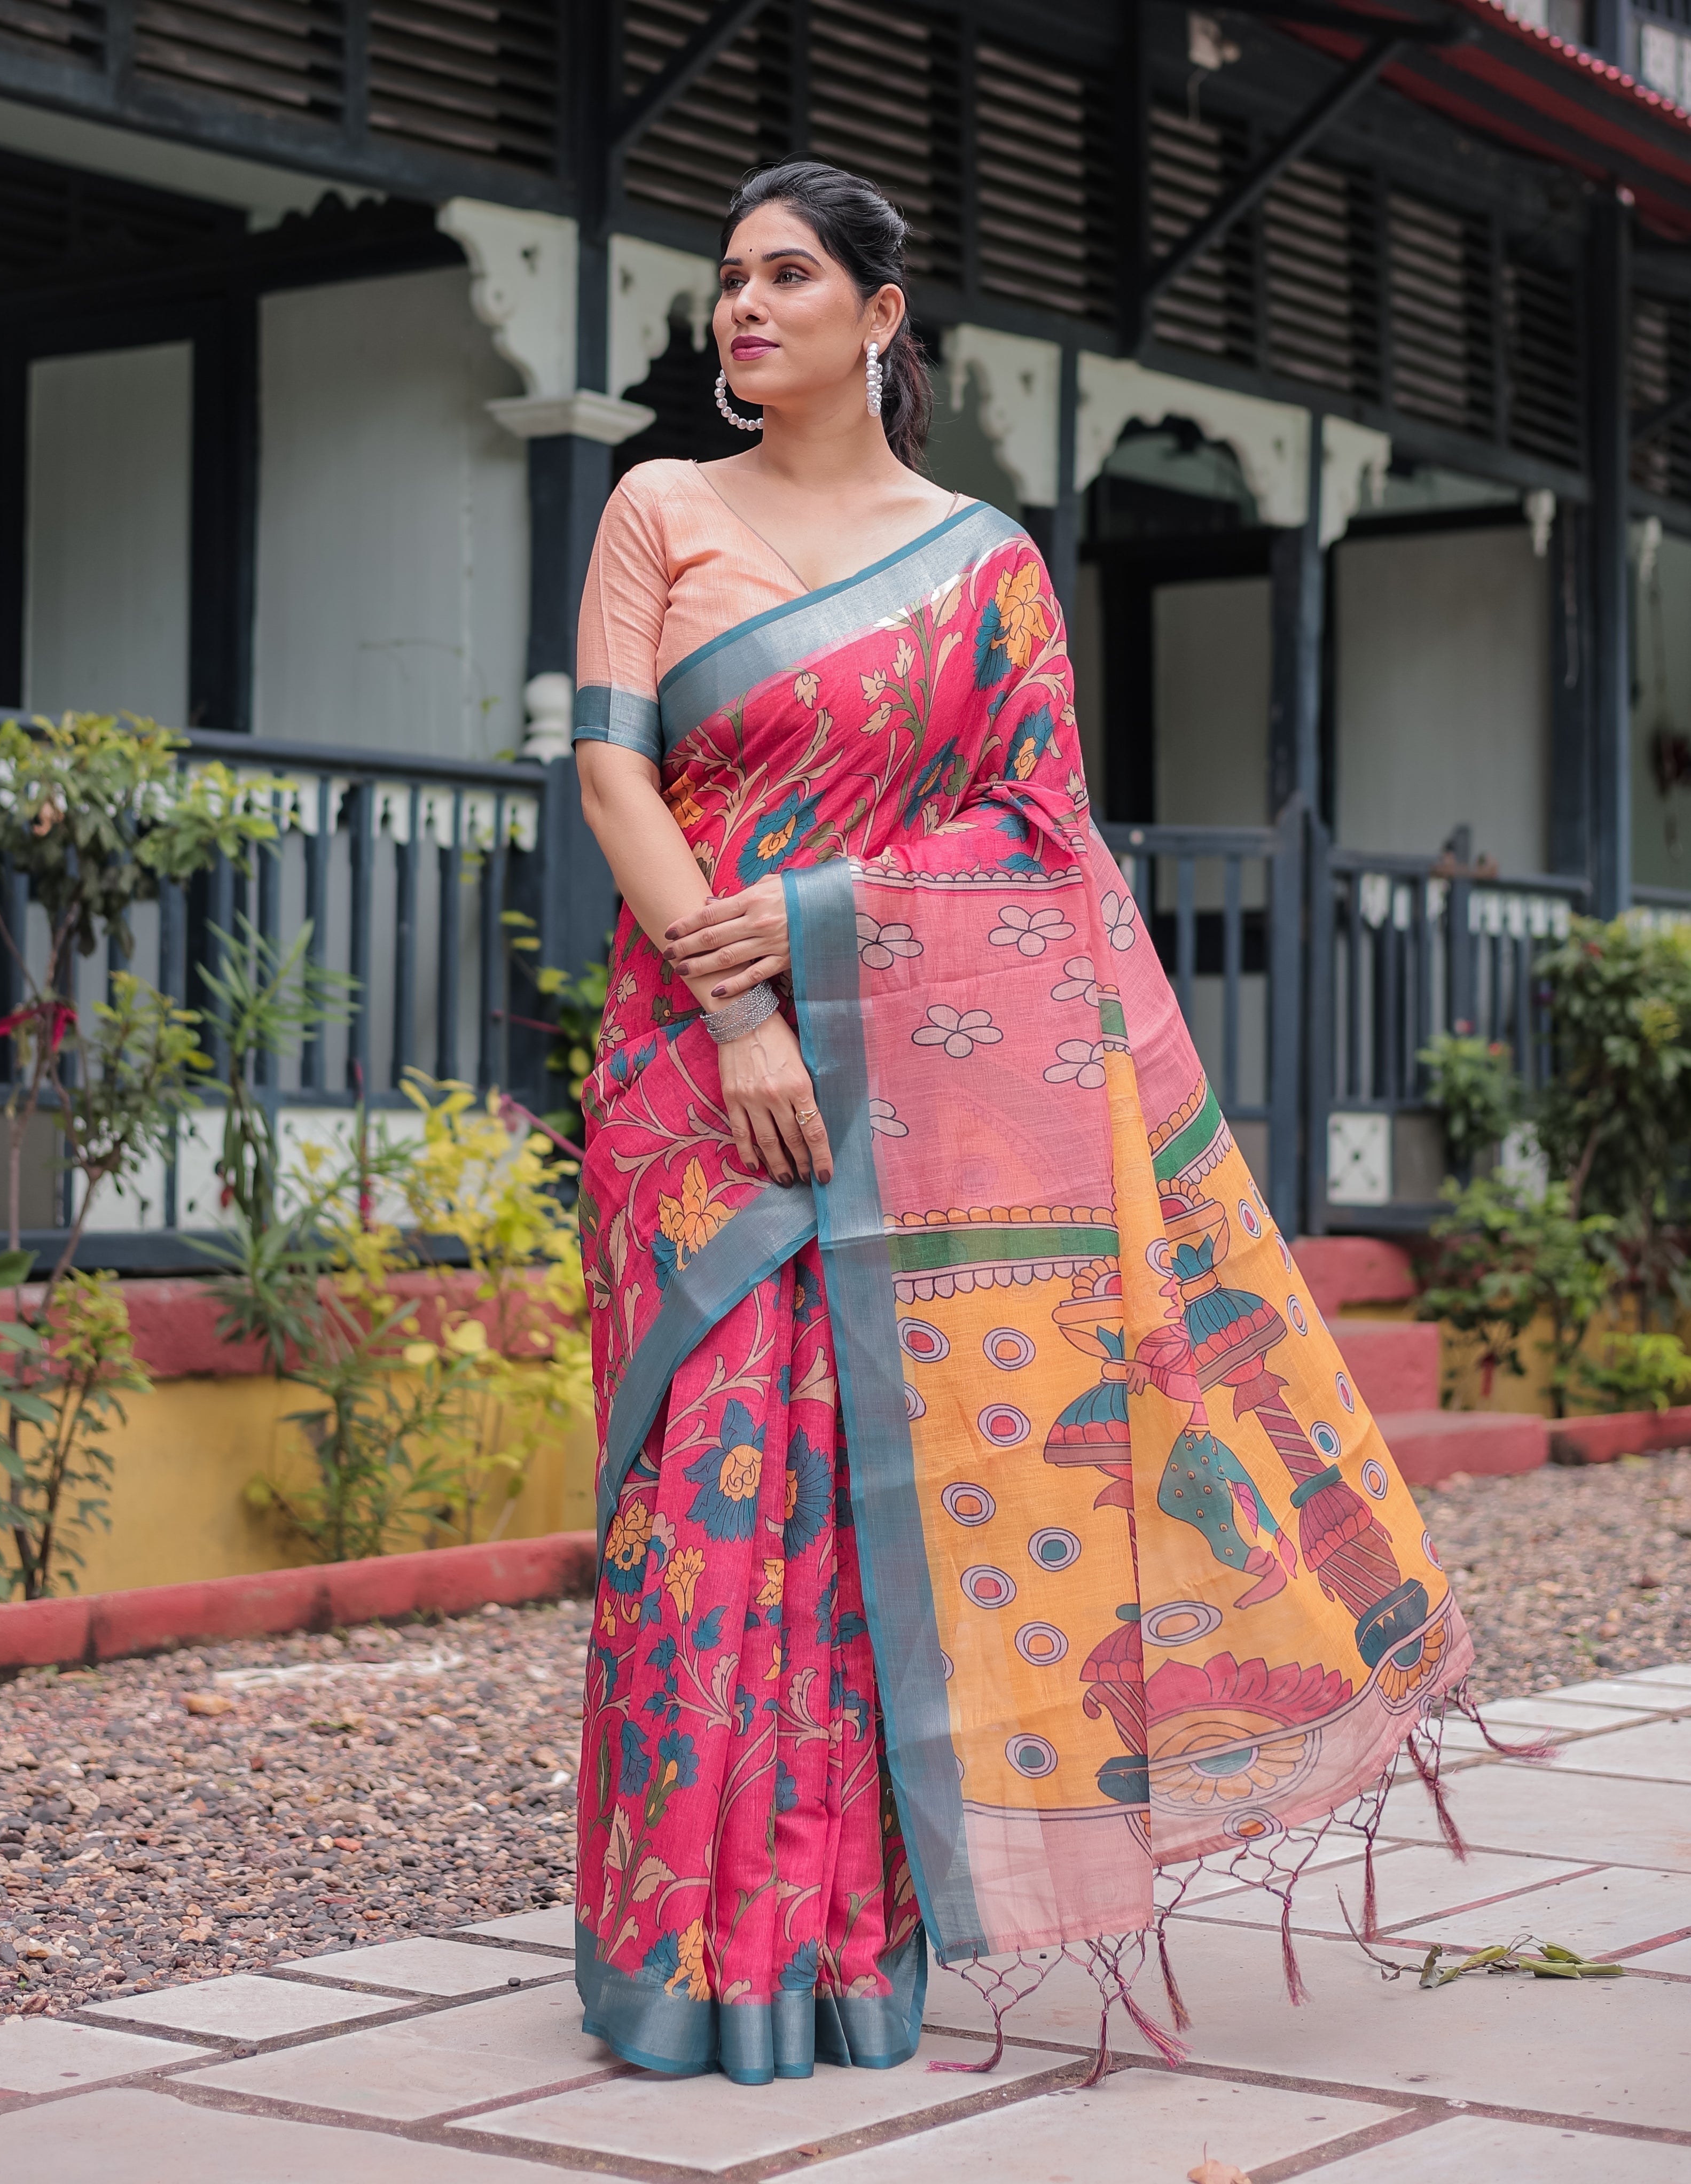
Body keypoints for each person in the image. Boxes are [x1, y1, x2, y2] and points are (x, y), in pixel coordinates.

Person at [570, 159, 1469, 2087]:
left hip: (902, 1090)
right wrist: (744, 1010)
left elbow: (1040, 836)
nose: (744, 306)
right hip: (693, 1080)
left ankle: (843, 1951)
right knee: (711, 1502)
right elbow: (609, 771)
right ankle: (685, 1952)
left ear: (881, 317)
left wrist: (820, 926)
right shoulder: (661, 506)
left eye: (789, 275)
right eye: (729, 279)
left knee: (865, 1509)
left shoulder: (982, 566)